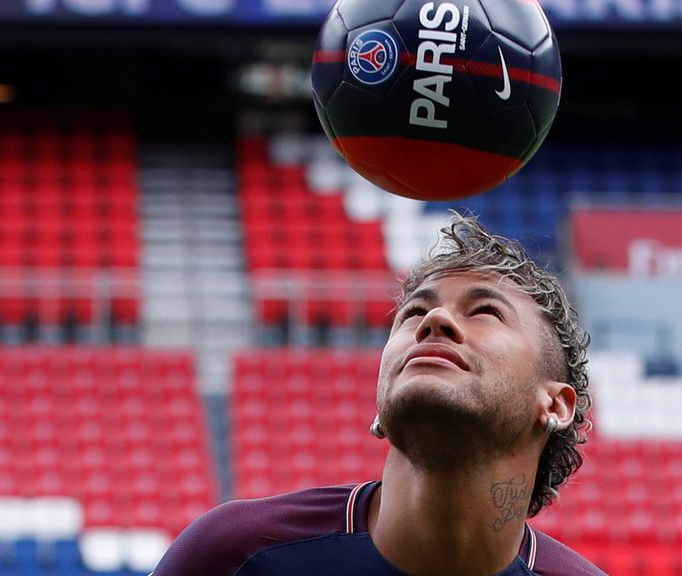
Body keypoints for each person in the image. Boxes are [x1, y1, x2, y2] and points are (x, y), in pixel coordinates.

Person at [151, 213, 603, 576]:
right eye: (414, 312)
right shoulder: (232, 555)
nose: (435, 321)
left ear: (556, 404)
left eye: (485, 311)